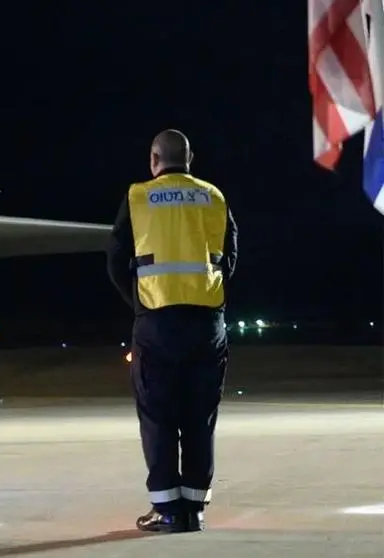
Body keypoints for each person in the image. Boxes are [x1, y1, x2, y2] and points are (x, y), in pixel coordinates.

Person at [106, 129, 238, 533]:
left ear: (153, 159)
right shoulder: (214, 197)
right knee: (200, 417)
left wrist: (143, 306)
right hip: (206, 322)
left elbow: (115, 261)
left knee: (159, 418)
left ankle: (166, 509)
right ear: (190, 157)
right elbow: (229, 259)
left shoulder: (138, 197)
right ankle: (194, 509)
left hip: (157, 322)